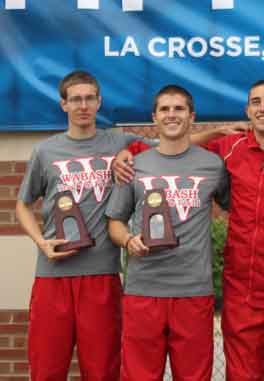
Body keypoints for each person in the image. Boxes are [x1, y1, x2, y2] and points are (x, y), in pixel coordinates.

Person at [113, 79, 264, 381]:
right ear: (247, 110)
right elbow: (174, 145)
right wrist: (129, 151)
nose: (263, 108)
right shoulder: (228, 151)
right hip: (242, 290)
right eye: (256, 102)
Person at [15, 70, 152, 380]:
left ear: (99, 101)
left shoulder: (117, 140)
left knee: (102, 371)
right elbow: (22, 205)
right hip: (54, 276)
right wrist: (40, 242)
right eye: (75, 99)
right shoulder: (46, 150)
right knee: (47, 369)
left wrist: (220, 132)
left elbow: (173, 145)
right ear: (63, 104)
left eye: (89, 98)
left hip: (101, 275)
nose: (83, 105)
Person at [106, 85, 228, 380]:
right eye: (165, 109)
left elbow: (238, 207)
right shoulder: (133, 166)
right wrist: (128, 240)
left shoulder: (213, 165)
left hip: (193, 290)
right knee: (139, 375)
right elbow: (115, 222)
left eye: (179, 109)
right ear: (154, 117)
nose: (171, 115)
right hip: (143, 289)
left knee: (194, 375)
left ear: (191, 116)